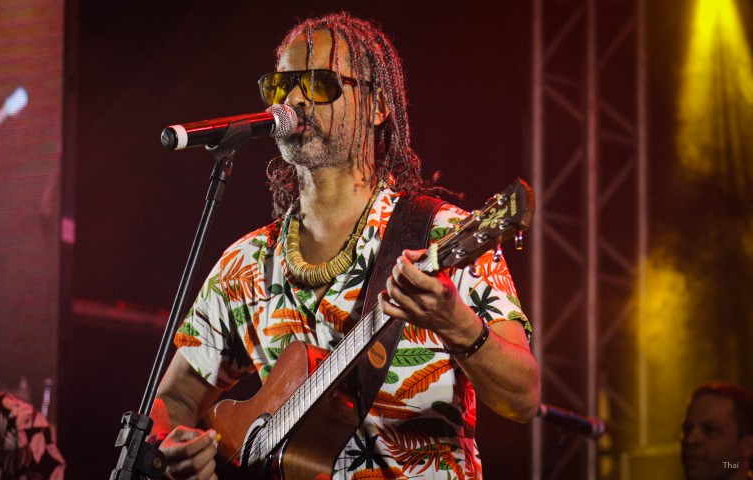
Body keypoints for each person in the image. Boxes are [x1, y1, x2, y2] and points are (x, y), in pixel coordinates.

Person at [151, 12, 540, 480]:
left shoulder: (440, 233)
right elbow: (173, 399)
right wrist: (172, 445)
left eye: (320, 84)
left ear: (377, 106)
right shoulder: (244, 264)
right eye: (281, 85)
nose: (293, 99)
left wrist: (455, 323)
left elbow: (522, 398)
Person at [681, 381, 753, 480]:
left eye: (710, 430)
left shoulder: (730, 464)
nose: (690, 439)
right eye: (687, 429)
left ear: (747, 445)